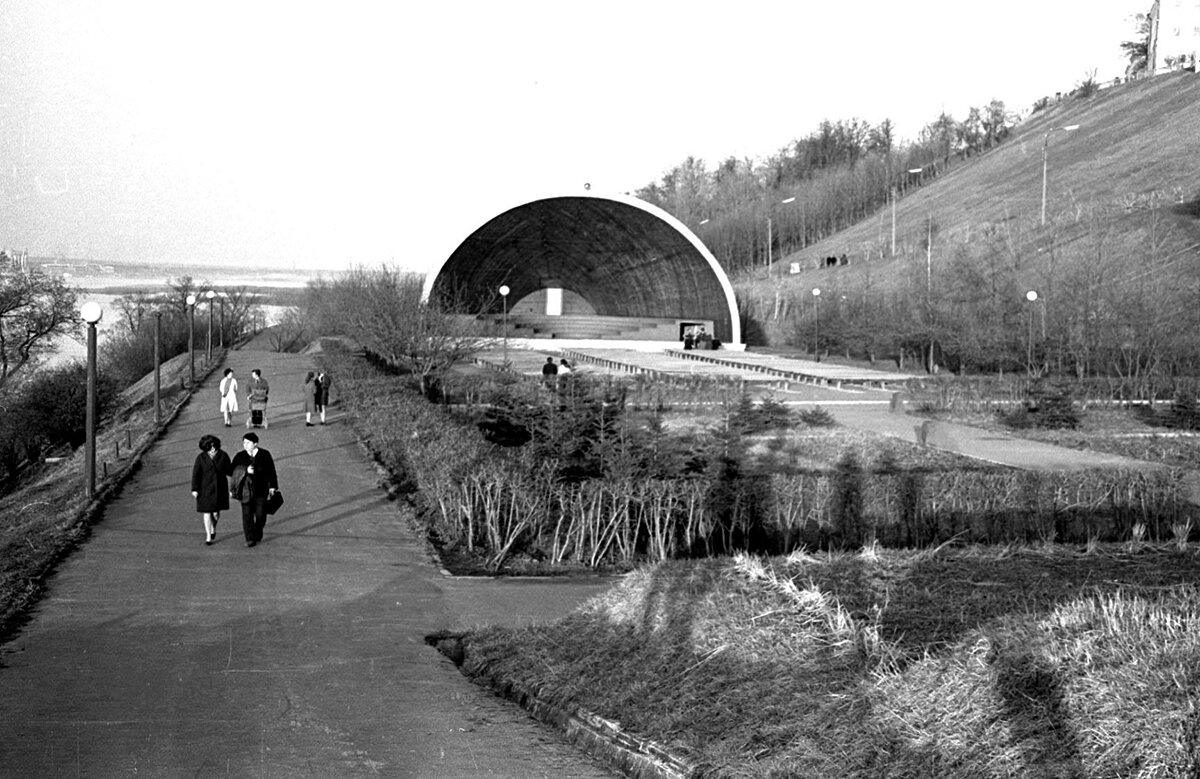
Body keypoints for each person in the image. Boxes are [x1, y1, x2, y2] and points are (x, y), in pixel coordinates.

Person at [229, 432, 278, 548]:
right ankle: (250, 538)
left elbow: (271, 471)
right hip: (245, 490)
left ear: (255, 443)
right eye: (244, 442)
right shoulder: (240, 456)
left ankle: (258, 530)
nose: (245, 445)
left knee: (260, 514)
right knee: (247, 515)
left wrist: (273, 487)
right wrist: (245, 470)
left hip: (261, 490)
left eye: (248, 443)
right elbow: (231, 471)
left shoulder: (265, 454)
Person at [191, 434, 232, 546]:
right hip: (205, 488)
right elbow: (196, 474)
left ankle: (213, 526)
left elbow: (230, 471)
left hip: (220, 488)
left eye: (214, 445)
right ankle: (208, 535)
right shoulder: (200, 458)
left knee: (215, 513)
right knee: (207, 512)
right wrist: (194, 489)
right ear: (205, 446)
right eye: (210, 446)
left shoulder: (223, 455)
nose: (213, 448)